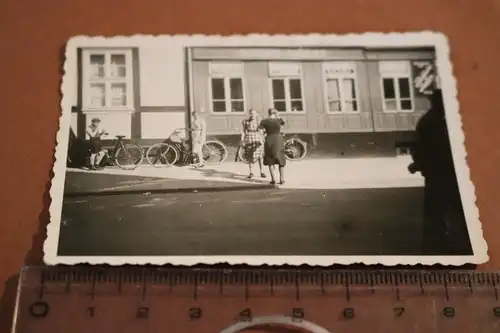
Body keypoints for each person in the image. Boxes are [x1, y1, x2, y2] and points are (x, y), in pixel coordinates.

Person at [408, 89, 471, 254]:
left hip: (437, 176)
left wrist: (418, 164)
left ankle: (436, 245)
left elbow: (419, 149)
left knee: (437, 212)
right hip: (447, 174)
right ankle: (454, 244)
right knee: (456, 209)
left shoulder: (427, 122)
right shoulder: (445, 122)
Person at [260, 108, 286, 185]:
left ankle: (273, 179)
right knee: (280, 158)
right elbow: (284, 125)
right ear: (276, 113)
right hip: (278, 139)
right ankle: (282, 179)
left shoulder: (264, 121)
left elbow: (260, 130)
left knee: (270, 159)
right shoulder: (279, 120)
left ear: (268, 113)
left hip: (269, 139)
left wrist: (265, 133)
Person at [240, 108, 266, 179]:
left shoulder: (260, 121)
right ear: (249, 114)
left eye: (254, 113)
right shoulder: (245, 121)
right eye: (251, 113)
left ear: (257, 114)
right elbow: (243, 131)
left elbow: (263, 130)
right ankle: (251, 172)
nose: (252, 115)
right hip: (249, 138)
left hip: (258, 138)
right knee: (250, 155)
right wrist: (242, 140)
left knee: (260, 156)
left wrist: (263, 137)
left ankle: (262, 171)